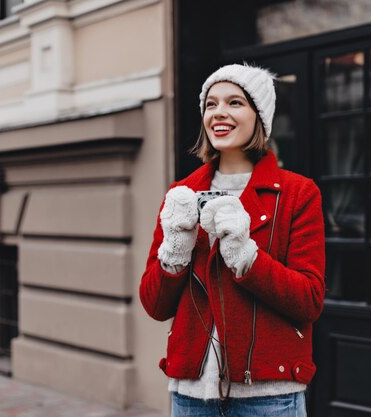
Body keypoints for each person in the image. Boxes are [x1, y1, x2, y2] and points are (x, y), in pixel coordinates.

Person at [139, 63, 325, 417]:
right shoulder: (181, 194)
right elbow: (154, 304)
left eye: (235, 103)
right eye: (211, 104)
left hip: (268, 396)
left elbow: (309, 300)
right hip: (190, 395)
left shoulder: (298, 193)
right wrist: (176, 248)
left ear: (260, 117)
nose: (219, 113)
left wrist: (246, 256)